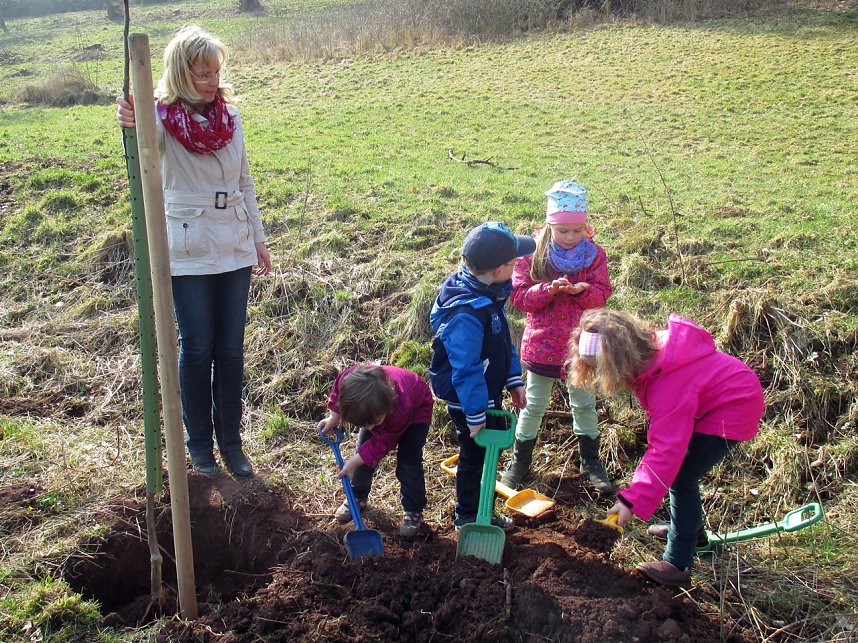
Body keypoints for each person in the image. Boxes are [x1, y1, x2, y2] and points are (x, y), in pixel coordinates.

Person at [117, 25, 271, 477]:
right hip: (187, 243)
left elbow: (244, 180)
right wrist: (131, 118)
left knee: (231, 349)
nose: (210, 80)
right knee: (199, 346)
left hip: (235, 240)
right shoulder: (161, 118)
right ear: (181, 72)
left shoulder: (231, 116)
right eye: (202, 73)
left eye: (215, 71)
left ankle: (232, 445)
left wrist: (258, 238)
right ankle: (199, 447)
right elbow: (142, 150)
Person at [566, 309, 764, 587]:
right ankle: (692, 534)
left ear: (619, 360)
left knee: (681, 477)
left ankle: (678, 562)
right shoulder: (652, 354)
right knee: (681, 474)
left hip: (732, 407)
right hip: (718, 399)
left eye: (601, 369)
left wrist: (630, 500)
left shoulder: (669, 382)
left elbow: (666, 449)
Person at [504, 180, 613, 493]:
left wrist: (584, 292)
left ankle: (591, 463)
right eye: (563, 231)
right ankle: (520, 461)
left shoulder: (594, 256)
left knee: (584, 403)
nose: (570, 237)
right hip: (541, 344)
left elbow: (603, 293)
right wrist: (546, 290)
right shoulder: (532, 255)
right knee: (532, 404)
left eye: (577, 231)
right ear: (550, 225)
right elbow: (518, 296)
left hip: (583, 344)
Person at [429, 221, 536, 531]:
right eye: (514, 264)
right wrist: (476, 414)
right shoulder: (467, 312)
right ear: (499, 268)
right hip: (470, 400)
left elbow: (501, 343)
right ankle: (467, 516)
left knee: (488, 455)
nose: (517, 268)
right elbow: (466, 368)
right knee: (475, 457)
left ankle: (483, 510)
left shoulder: (486, 292)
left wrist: (513, 379)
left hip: (485, 391)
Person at [319, 365, 434, 538]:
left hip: (417, 411)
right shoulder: (349, 382)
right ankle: (357, 496)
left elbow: (382, 443)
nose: (370, 428)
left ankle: (413, 511)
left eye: (373, 423)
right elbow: (338, 391)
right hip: (379, 408)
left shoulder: (400, 409)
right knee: (362, 450)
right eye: (364, 424)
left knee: (408, 462)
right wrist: (334, 416)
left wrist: (353, 462)